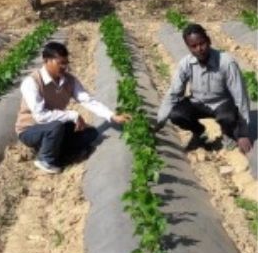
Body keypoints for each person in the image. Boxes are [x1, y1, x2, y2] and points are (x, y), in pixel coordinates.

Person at [15, 42, 131, 173]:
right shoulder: (32, 82)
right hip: (30, 130)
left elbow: (87, 100)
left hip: (55, 126)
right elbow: (40, 116)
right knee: (56, 127)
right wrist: (72, 115)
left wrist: (112, 116)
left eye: (66, 63)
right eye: (60, 63)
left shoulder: (69, 80)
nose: (64, 67)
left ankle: (56, 151)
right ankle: (46, 159)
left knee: (90, 133)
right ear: (46, 60)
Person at [156, 23, 253, 154]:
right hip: (198, 102)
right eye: (194, 46)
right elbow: (174, 93)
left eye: (202, 43)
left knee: (228, 117)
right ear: (188, 47)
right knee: (176, 114)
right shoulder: (186, 64)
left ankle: (227, 133)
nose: (199, 49)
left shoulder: (226, 62)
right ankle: (199, 131)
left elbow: (240, 97)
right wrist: (160, 121)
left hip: (222, 103)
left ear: (209, 41)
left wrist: (243, 133)